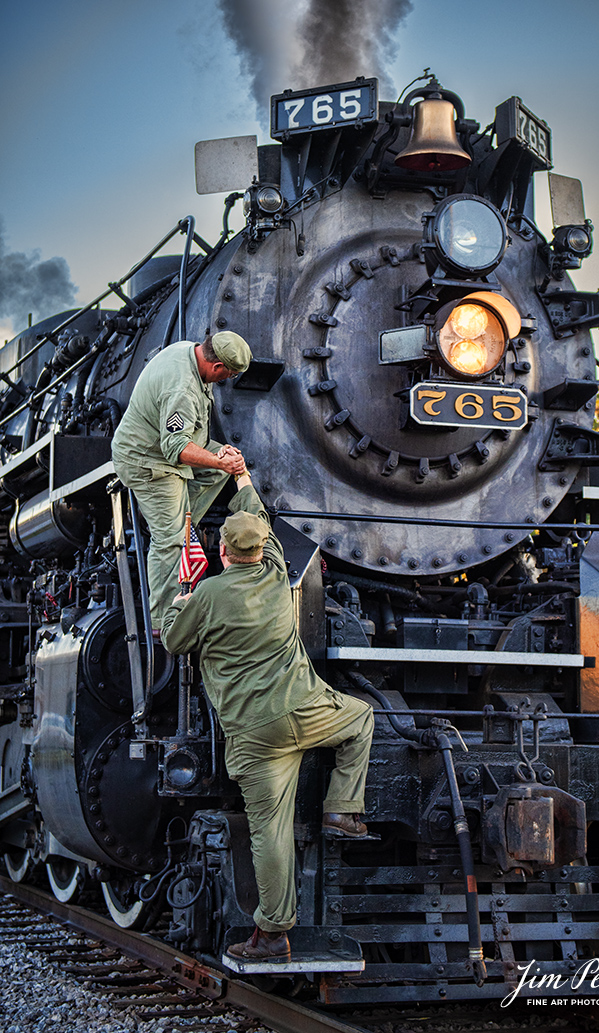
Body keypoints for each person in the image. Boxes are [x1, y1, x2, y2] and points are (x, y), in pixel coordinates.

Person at [160, 470, 374, 962]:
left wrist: (178, 605)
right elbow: (260, 520)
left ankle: (274, 935)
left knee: (270, 834)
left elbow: (173, 641)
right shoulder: (279, 576)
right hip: (308, 709)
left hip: (255, 734)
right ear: (262, 549)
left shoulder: (210, 595)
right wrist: (243, 477)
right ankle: (343, 809)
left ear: (222, 553)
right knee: (362, 718)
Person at [111, 331, 252, 630]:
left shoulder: (189, 350)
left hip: (171, 448)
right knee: (171, 540)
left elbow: (187, 440)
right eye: (228, 375)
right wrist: (217, 459)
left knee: (218, 467)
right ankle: (163, 622)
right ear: (216, 367)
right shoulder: (184, 388)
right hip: (148, 461)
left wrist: (221, 456)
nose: (226, 380)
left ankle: (183, 521)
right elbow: (174, 447)